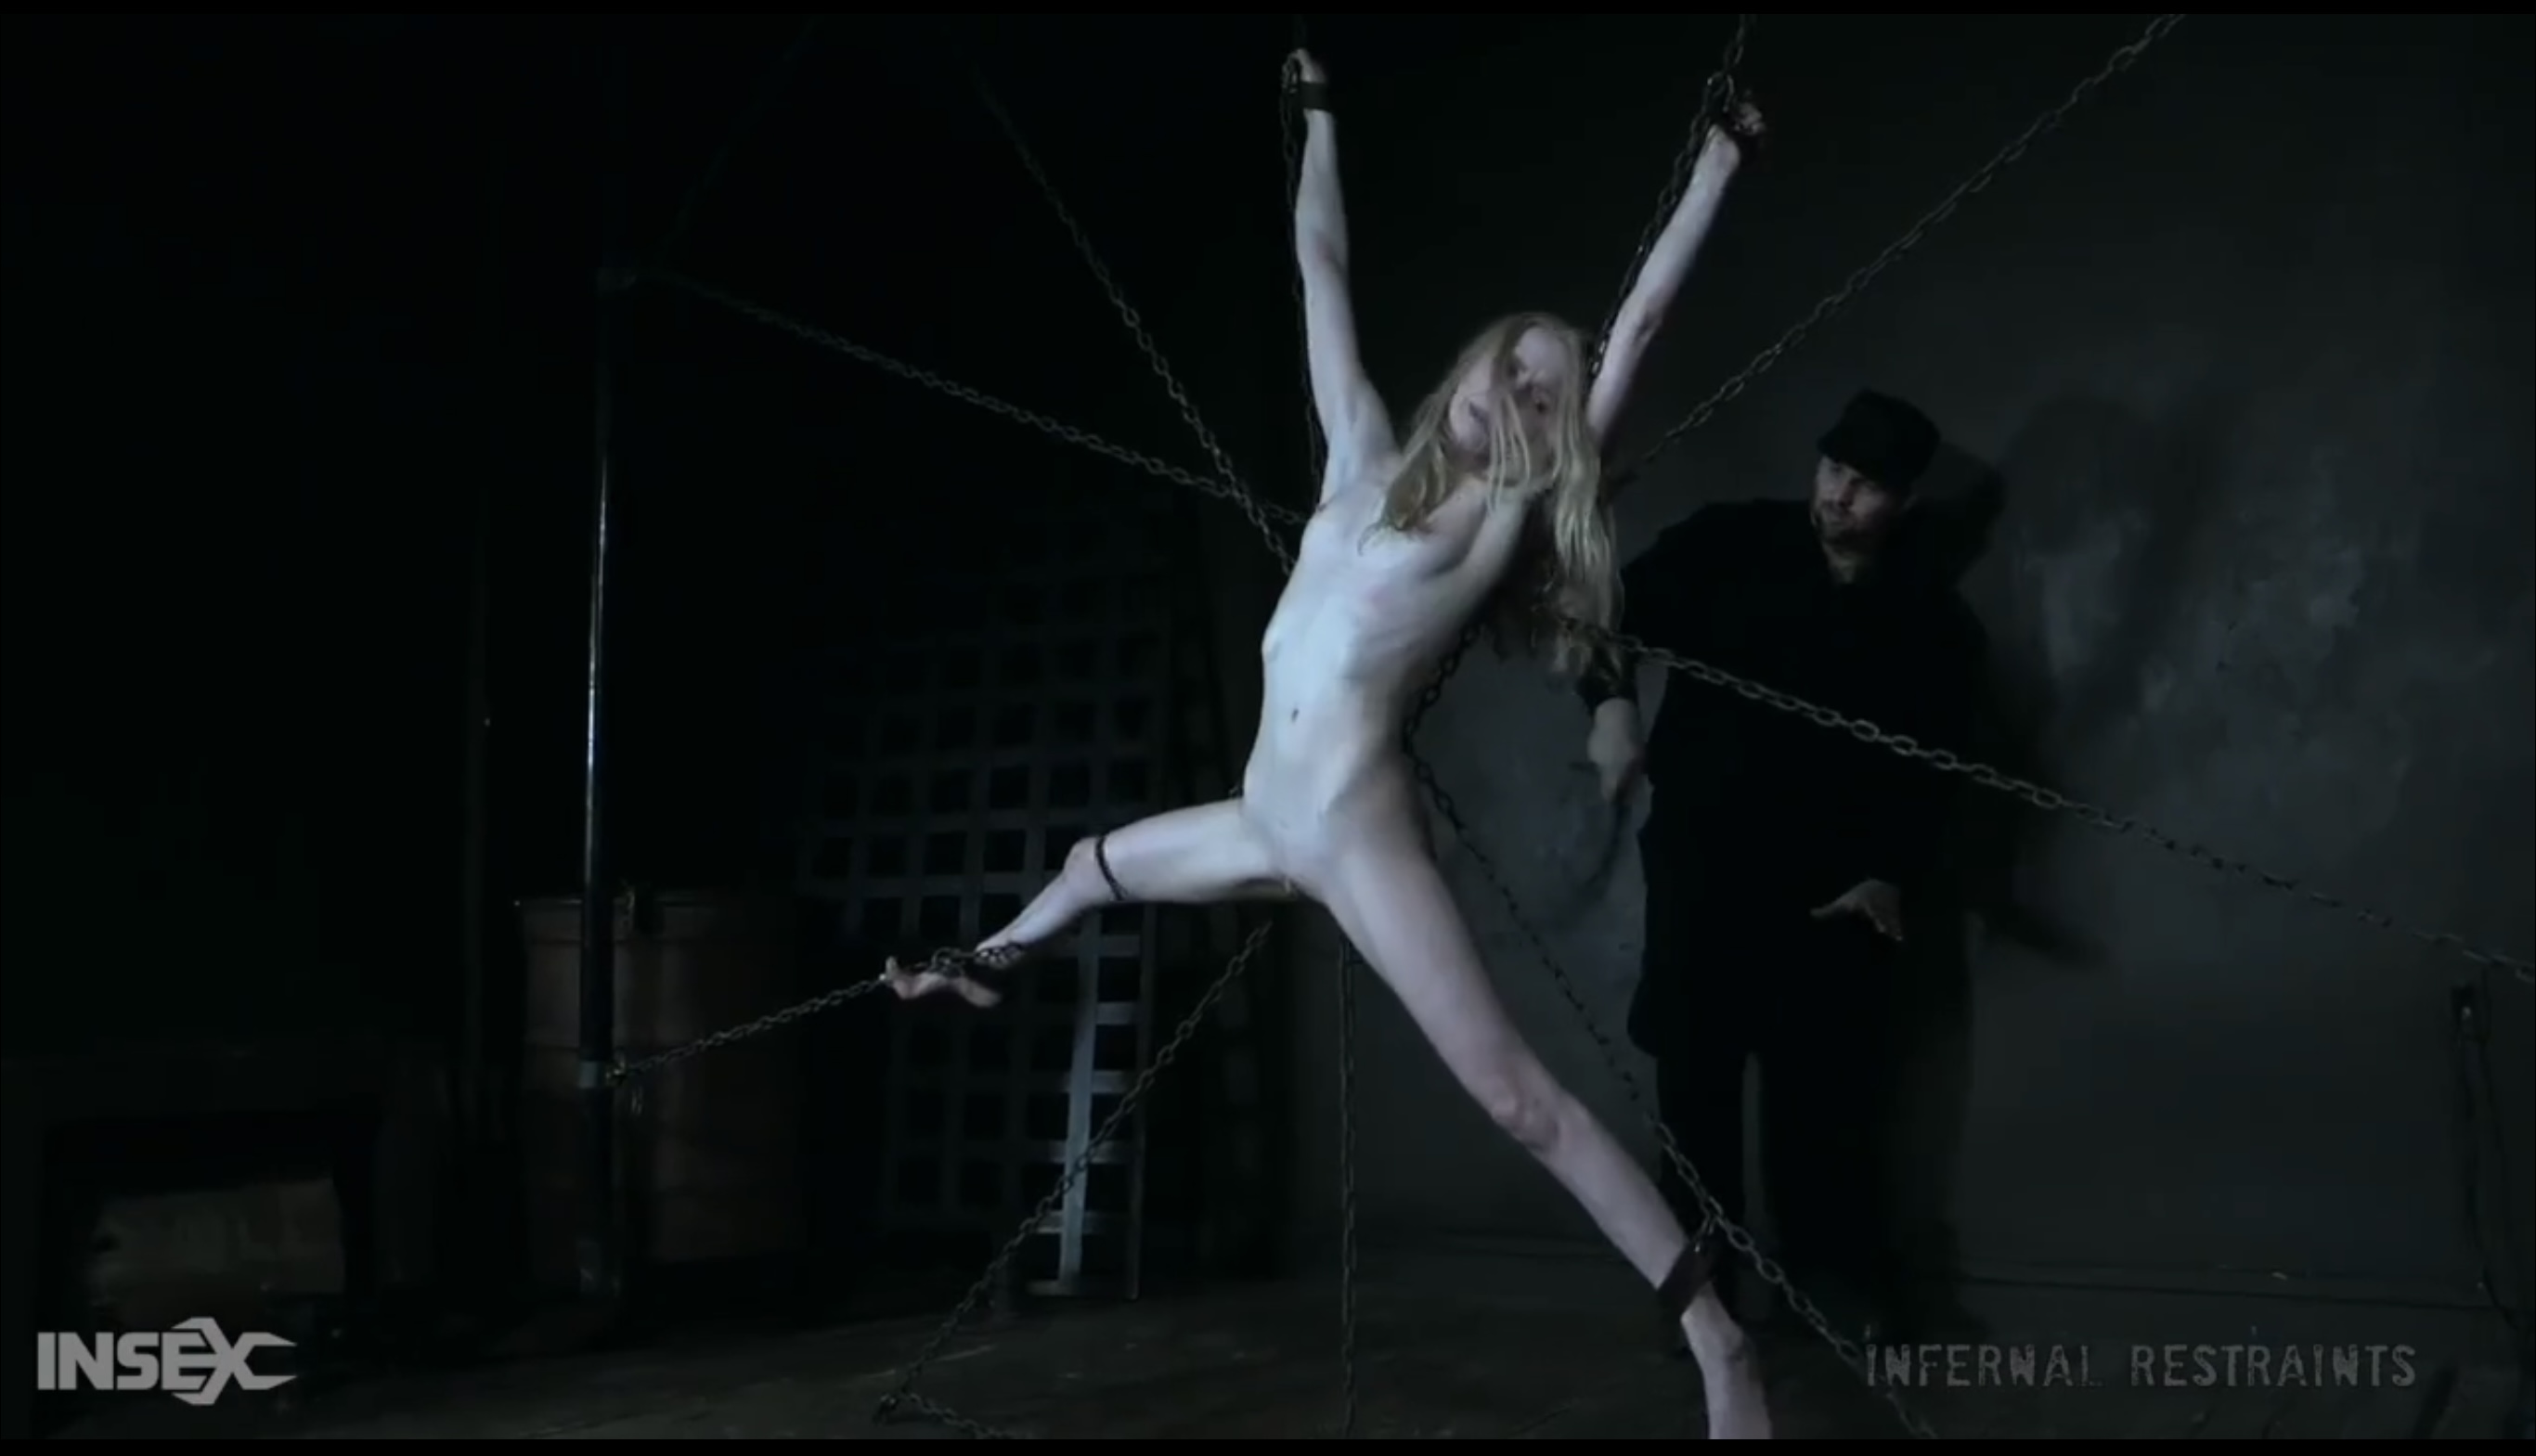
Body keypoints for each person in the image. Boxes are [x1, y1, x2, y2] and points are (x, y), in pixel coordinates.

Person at [887, 48, 1775, 1440]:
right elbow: (1319, 266)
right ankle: (986, 961)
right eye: (1510, 365)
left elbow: (1644, 321)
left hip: (1355, 836)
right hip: (1263, 819)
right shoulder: (1357, 457)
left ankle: (1720, 1344)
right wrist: (1315, 117)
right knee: (1087, 864)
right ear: (1470, 360)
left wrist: (1717, 162)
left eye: (1545, 396)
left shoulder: (1498, 523)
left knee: (1517, 1100)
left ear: (1552, 437)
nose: (1515, 394)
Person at [1579, 389, 1988, 1346]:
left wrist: (1889, 872)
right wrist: (1611, 709)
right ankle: (1703, 1305)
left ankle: (1829, 1297)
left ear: (1903, 500)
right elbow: (1603, 617)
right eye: (1832, 469)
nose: (1838, 494)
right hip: (1705, 872)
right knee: (1695, 1093)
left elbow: (1934, 777)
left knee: (1823, 1104)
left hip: (1832, 902)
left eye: (1865, 484)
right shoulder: (1727, 545)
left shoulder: (1933, 623)